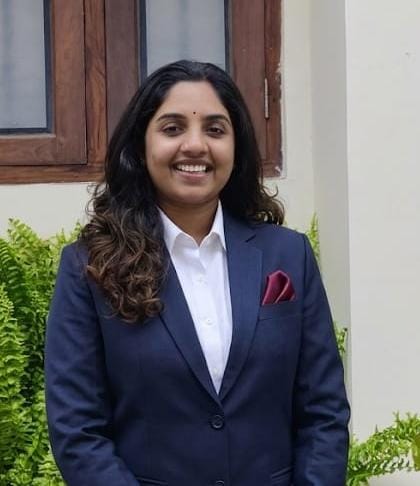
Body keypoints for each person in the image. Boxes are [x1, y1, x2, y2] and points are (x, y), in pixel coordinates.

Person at [45, 60, 350, 486]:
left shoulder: (288, 256)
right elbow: (78, 431)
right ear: (141, 146)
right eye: (172, 128)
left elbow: (324, 412)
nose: (195, 145)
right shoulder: (89, 268)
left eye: (215, 129)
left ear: (236, 147)